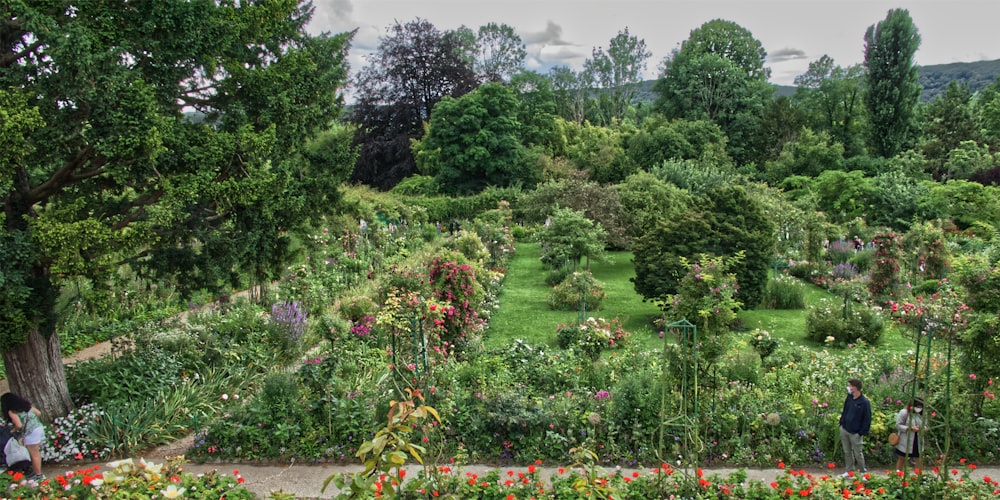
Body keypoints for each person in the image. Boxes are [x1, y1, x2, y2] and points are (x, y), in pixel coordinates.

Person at [1, 392, 44, 481]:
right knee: (36, 452)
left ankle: (38, 475)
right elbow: (38, 413)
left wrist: (13, 430)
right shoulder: (26, 405)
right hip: (39, 428)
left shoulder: (12, 411)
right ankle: (38, 473)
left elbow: (19, 425)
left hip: (30, 432)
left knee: (34, 454)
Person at [838, 378, 871, 478]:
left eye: (850, 386)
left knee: (858, 453)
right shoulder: (849, 398)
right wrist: (842, 423)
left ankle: (862, 472)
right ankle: (849, 471)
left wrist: (861, 432)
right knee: (847, 452)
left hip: (855, 432)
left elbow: (867, 419)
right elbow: (845, 410)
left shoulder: (864, 402)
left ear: (855, 388)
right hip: (845, 429)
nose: (849, 387)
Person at [895, 397, 924, 472]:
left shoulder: (922, 414)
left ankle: (918, 477)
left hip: (917, 439)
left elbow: (926, 424)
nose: (919, 408)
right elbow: (898, 425)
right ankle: (898, 475)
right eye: (917, 407)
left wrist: (923, 428)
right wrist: (909, 428)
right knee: (902, 458)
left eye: (920, 407)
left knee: (919, 458)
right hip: (905, 439)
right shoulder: (904, 412)